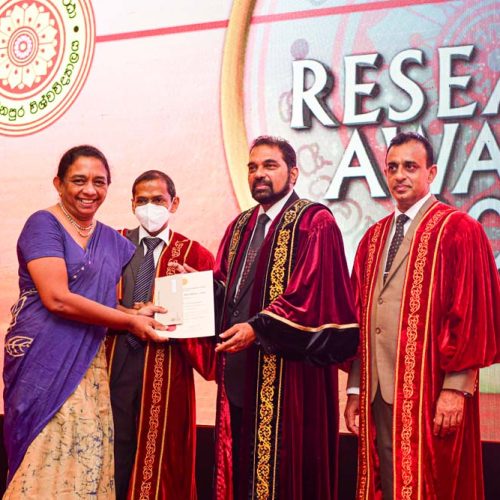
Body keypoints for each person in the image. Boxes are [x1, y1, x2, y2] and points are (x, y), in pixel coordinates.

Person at [3, 146, 167, 499]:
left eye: (99, 182)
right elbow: (57, 298)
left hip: (89, 364)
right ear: (58, 183)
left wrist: (135, 314)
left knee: (85, 453)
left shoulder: (111, 240)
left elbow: (101, 305)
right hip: (43, 359)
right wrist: (129, 323)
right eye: (79, 180)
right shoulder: (43, 224)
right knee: (45, 452)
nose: (89, 190)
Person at [345, 131, 500, 499]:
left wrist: (456, 388)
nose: (400, 175)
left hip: (431, 390)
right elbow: (360, 318)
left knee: (434, 483)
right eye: (392, 167)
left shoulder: (459, 230)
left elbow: (473, 317)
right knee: (385, 482)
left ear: (431, 173)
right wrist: (355, 389)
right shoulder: (373, 238)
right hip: (377, 391)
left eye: (410, 167)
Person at [212, 135, 359, 499]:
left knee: (287, 476)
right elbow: (230, 290)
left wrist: (257, 328)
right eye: (253, 167)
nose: (259, 174)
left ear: (293, 173)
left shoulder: (314, 222)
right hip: (240, 374)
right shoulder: (240, 226)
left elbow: (312, 298)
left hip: (291, 381)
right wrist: (201, 290)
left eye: (270, 165)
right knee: (240, 472)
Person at [106, 170, 216, 500]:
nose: (149, 207)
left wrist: (200, 291)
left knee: (162, 452)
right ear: (132, 204)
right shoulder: (111, 244)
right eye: (142, 200)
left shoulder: (194, 254)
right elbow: (87, 301)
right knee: (112, 447)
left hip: (168, 368)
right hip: (114, 360)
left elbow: (209, 322)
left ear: (174, 203)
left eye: (158, 200)